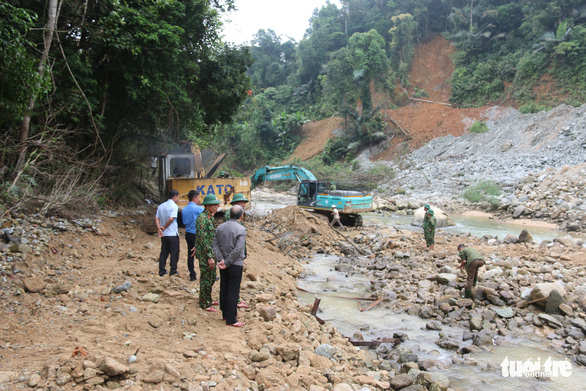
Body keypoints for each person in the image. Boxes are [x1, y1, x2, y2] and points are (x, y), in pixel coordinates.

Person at [213, 205, 247, 327]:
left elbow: (215, 245)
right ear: (241, 216)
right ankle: (232, 319)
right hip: (235, 264)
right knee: (233, 290)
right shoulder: (241, 229)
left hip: (223, 264)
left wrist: (221, 259)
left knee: (224, 287)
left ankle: (225, 314)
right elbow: (238, 249)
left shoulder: (220, 227)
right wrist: (227, 261)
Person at [193, 194, 221, 312]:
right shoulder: (202, 219)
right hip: (206, 255)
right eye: (214, 205)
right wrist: (210, 257)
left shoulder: (209, 218)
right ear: (208, 205)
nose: (217, 206)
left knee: (211, 277)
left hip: (210, 252)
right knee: (206, 278)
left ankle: (208, 299)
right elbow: (203, 239)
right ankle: (204, 303)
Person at [224, 193, 250, 308]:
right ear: (235, 203)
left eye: (244, 202)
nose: (243, 204)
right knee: (232, 280)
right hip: (232, 254)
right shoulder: (229, 215)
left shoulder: (239, 214)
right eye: (241, 202)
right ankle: (234, 302)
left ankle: (236, 299)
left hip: (236, 253)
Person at [155, 190, 180, 277]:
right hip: (172, 233)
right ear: (175, 197)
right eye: (178, 197)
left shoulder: (161, 206)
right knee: (174, 252)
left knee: (164, 252)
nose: (178, 199)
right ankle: (173, 270)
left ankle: (161, 270)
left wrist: (160, 229)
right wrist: (164, 227)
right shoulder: (174, 206)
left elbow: (156, 218)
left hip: (164, 234)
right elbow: (171, 219)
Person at [182, 190, 204, 281]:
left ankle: (192, 275)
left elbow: (183, 222)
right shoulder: (199, 209)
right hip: (197, 234)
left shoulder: (184, 209)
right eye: (198, 197)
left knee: (190, 254)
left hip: (188, 234)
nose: (199, 199)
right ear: (195, 198)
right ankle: (205, 274)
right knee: (203, 255)